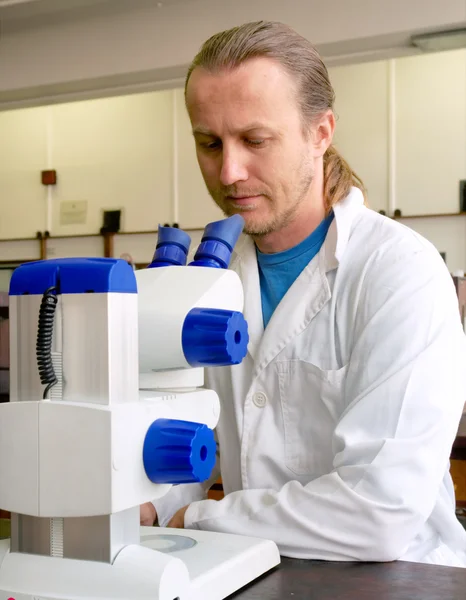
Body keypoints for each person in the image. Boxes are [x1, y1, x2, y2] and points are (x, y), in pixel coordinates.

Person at [141, 20, 466, 566]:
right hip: (254, 571)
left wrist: (201, 518)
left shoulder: (398, 273)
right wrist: (148, 502)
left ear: (321, 133)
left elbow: (379, 511)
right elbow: (196, 452)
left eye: (255, 140)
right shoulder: (210, 286)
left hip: (403, 580)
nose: (229, 171)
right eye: (209, 143)